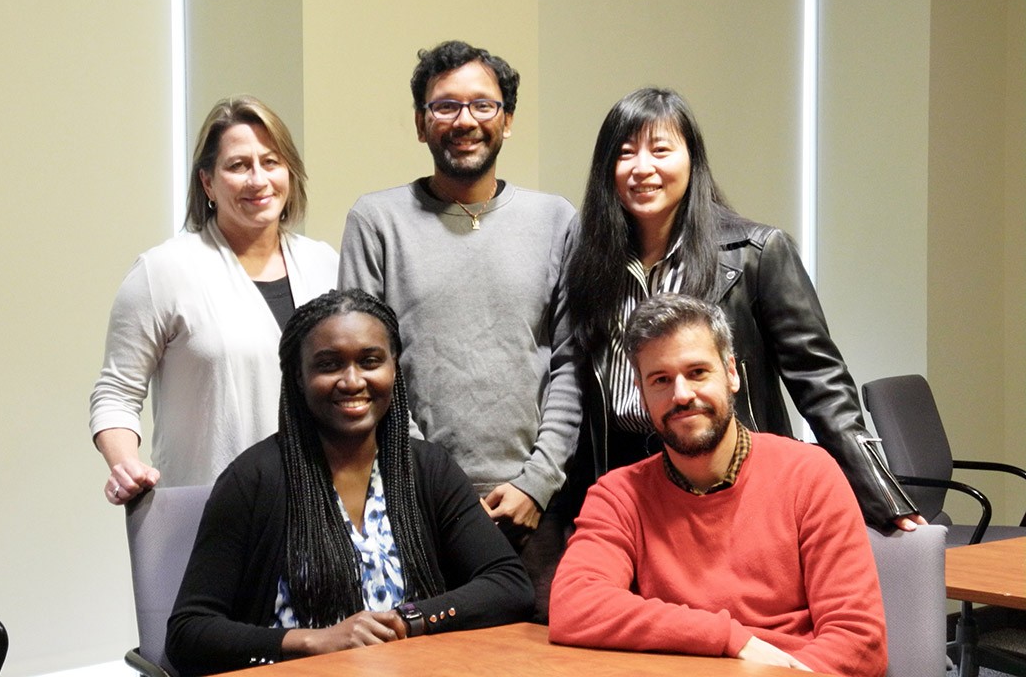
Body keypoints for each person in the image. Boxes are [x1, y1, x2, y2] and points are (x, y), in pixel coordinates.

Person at [566, 86, 921, 531]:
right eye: (624, 154)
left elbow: (821, 383)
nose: (642, 168)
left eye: (660, 150)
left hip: (727, 477)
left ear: (692, 159)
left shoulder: (755, 253)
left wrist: (884, 497)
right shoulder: (590, 263)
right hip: (625, 481)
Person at [165, 290, 533, 675]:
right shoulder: (254, 479)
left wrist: (407, 619)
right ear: (299, 376)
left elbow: (509, 585)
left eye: (370, 361)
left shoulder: (427, 469)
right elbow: (189, 633)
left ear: (394, 367)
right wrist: (313, 642)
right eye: (329, 365)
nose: (353, 381)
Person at [338, 40, 580, 618]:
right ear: (422, 123)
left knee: (540, 654)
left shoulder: (555, 219)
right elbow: (364, 370)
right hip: (414, 504)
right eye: (445, 106)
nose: (464, 120)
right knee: (422, 654)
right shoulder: (377, 221)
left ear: (507, 120)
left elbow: (572, 363)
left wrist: (536, 483)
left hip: (535, 507)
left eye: (482, 105)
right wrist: (434, 486)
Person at [549, 293, 887, 676]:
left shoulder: (809, 475)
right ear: (642, 396)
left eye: (697, 372)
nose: (681, 395)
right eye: (661, 380)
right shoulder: (619, 495)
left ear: (731, 374)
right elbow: (574, 605)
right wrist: (729, 638)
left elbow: (860, 642)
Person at [89, 95, 338, 504]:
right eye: (238, 166)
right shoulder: (164, 271)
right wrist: (126, 464)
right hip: (208, 513)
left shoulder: (325, 265)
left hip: (316, 510)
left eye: (271, 162)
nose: (258, 179)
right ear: (207, 182)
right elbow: (116, 394)